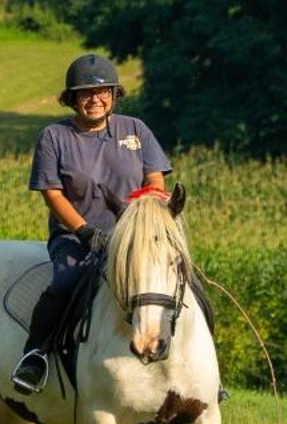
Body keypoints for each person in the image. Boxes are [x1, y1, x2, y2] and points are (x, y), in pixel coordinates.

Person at [12, 53, 172, 395]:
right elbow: (53, 194)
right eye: (85, 93)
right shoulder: (54, 137)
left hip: (134, 238)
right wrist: (86, 232)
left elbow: (155, 179)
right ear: (72, 99)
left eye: (102, 93)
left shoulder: (135, 130)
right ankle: (35, 354)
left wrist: (149, 222)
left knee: (174, 283)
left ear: (114, 95)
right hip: (76, 237)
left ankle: (201, 374)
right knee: (65, 284)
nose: (95, 100)